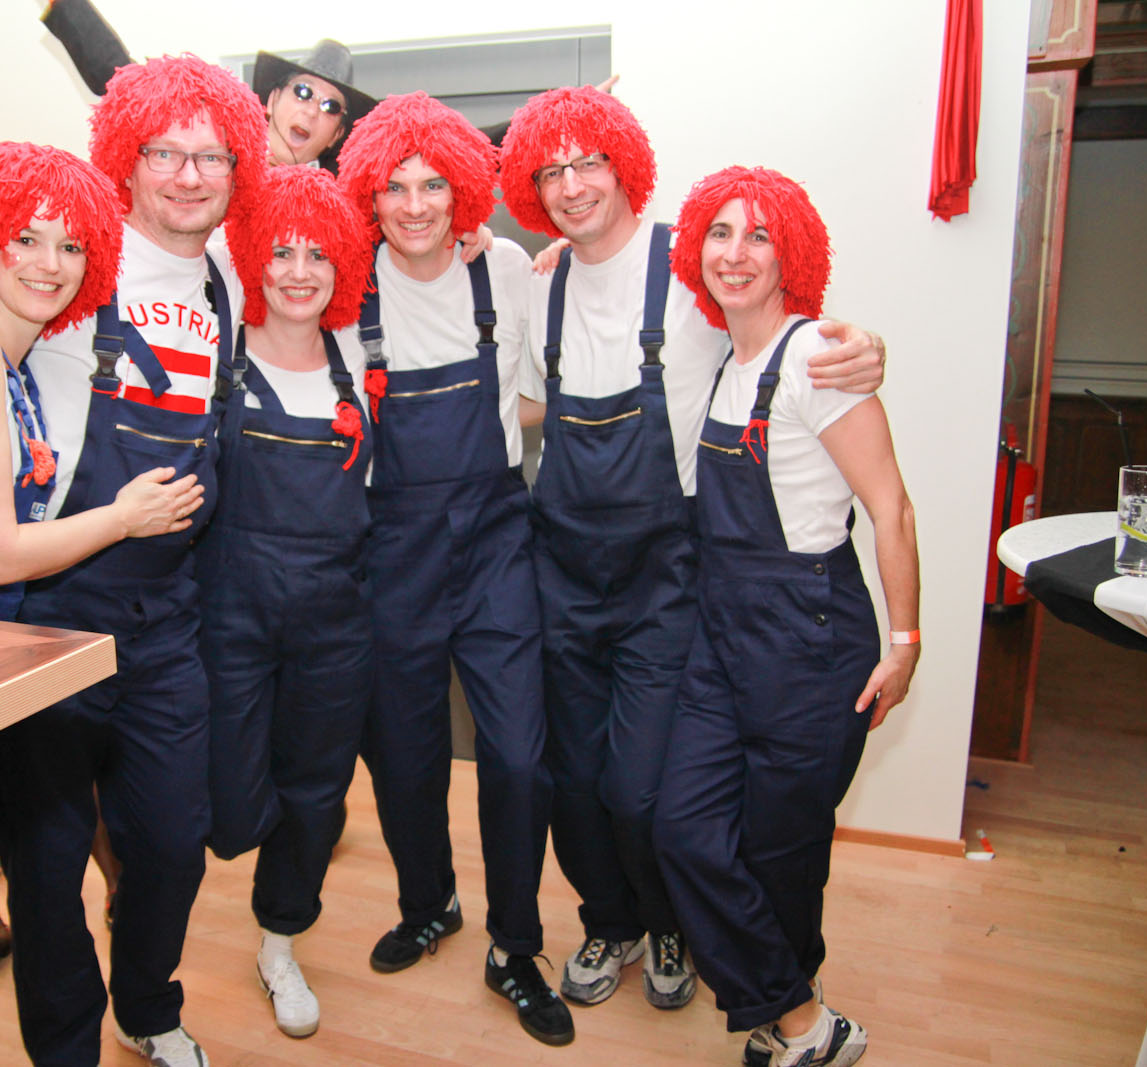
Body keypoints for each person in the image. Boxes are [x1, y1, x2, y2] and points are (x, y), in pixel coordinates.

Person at [0, 54, 267, 1067]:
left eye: (211, 156)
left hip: (166, 622)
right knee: (44, 875)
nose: (188, 175)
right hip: (43, 616)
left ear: (236, 170)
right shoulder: (72, 253)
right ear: (127, 160)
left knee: (172, 842)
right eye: (164, 152)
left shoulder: (229, 276)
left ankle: (148, 1005)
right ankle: (65, 1050)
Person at [499, 86, 888, 1018]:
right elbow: (529, 404)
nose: (572, 185)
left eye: (589, 162)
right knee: (575, 783)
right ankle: (611, 921)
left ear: (624, 166)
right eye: (551, 171)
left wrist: (865, 346)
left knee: (640, 789)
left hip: (666, 580)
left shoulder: (691, 263)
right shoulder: (538, 284)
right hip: (565, 571)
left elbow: (784, 330)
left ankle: (668, 919)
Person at [652, 166, 918, 1067]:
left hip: (810, 635)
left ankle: (788, 1022)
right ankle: (807, 1019)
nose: (736, 253)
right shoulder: (723, 360)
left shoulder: (817, 358)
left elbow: (891, 507)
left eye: (759, 235)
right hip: (723, 632)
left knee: (782, 852)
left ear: (790, 254)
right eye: (720, 233)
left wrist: (906, 642)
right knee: (683, 827)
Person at [334, 92, 570, 1047]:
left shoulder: (505, 266)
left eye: (435, 185)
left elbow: (549, 386)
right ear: (368, 196)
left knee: (518, 757)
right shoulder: (347, 285)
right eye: (395, 187)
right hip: (390, 547)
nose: (416, 205)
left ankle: (515, 945)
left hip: (495, 542)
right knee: (403, 755)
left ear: (464, 190)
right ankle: (428, 901)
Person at [201, 164, 372, 1040]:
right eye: (281, 252)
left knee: (316, 796)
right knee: (232, 801)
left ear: (342, 263)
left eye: (317, 254)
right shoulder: (218, 357)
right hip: (233, 614)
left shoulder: (359, 361)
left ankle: (280, 942)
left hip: (335, 621)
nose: (299, 272)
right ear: (252, 260)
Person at [41, 0, 375, 171]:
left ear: (336, 135)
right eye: (303, 92)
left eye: (331, 106)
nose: (312, 110)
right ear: (273, 100)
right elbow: (129, 85)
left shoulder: (344, 206)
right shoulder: (213, 152)